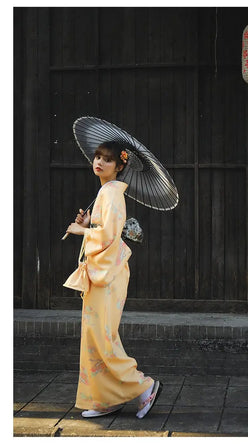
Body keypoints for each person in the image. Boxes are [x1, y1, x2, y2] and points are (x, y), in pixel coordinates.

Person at [66, 141, 163, 419]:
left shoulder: (110, 194)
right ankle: (106, 398)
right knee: (96, 337)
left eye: (107, 160)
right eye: (97, 157)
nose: (99, 162)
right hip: (103, 272)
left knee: (102, 337)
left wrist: (80, 232)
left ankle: (144, 387)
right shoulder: (106, 192)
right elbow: (104, 230)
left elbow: (109, 236)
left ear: (120, 166)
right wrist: (87, 226)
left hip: (107, 275)